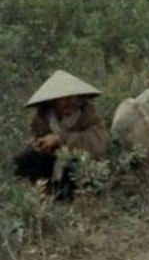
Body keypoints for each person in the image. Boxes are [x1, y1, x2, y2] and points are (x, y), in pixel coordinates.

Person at [14, 70, 108, 200]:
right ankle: (40, 192)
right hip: (51, 163)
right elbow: (36, 137)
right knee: (25, 158)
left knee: (71, 169)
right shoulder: (42, 118)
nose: (69, 102)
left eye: (73, 98)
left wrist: (61, 139)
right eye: (63, 99)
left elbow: (98, 144)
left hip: (80, 165)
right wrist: (38, 144)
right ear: (53, 101)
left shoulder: (88, 114)